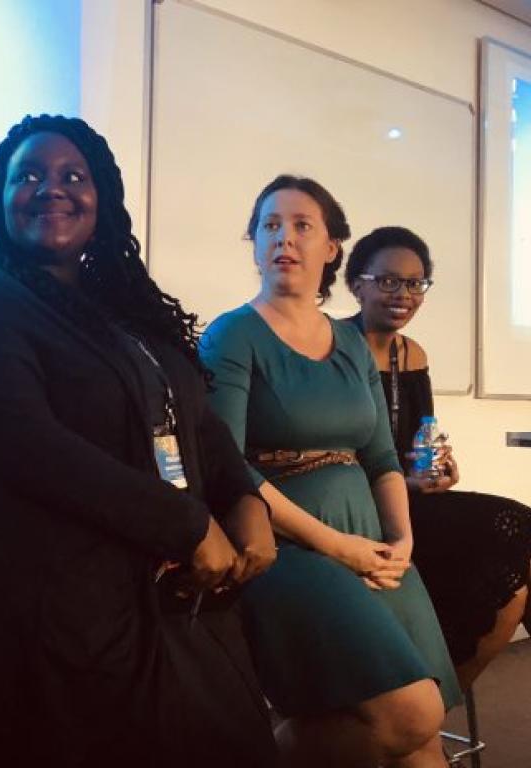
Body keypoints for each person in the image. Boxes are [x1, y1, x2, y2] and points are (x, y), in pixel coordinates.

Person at [0, 114, 279, 767]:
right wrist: (186, 525)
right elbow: (30, 447)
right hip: (40, 606)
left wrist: (245, 499)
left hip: (157, 594)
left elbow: (196, 421)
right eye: (29, 175)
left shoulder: (123, 310)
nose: (52, 187)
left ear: (103, 199)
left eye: (74, 176)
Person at [199, 175, 462, 768]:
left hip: (369, 539)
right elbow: (226, 466)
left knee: (424, 736)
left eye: (302, 225)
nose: (284, 239)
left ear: (332, 247)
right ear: (254, 242)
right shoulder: (232, 335)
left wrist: (402, 540)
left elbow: (382, 460)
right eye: (270, 225)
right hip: (287, 546)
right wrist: (338, 547)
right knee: (411, 714)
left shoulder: (349, 342)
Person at [345, 225, 531, 689]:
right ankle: (436, 697)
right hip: (358, 507)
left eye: (415, 283)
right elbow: (334, 456)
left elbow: (419, 442)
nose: (404, 295)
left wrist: (437, 469)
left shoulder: (412, 354)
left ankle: (439, 693)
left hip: (414, 503)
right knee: (513, 530)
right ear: (356, 284)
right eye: (389, 281)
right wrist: (403, 483)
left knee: (519, 558)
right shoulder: (335, 349)